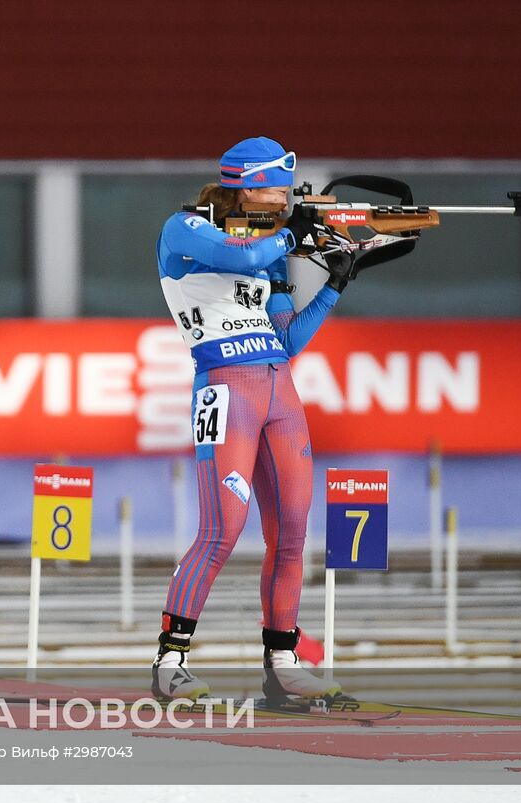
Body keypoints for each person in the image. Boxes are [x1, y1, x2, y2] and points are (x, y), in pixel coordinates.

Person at [152, 137, 356, 705]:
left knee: (292, 531)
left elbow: (287, 339)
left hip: (279, 394)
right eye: (279, 190)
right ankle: (170, 661)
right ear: (244, 187)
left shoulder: (269, 247)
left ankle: (283, 665)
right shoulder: (186, 228)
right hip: (226, 387)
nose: (287, 199)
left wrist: (335, 285)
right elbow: (239, 257)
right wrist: (293, 234)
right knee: (222, 530)